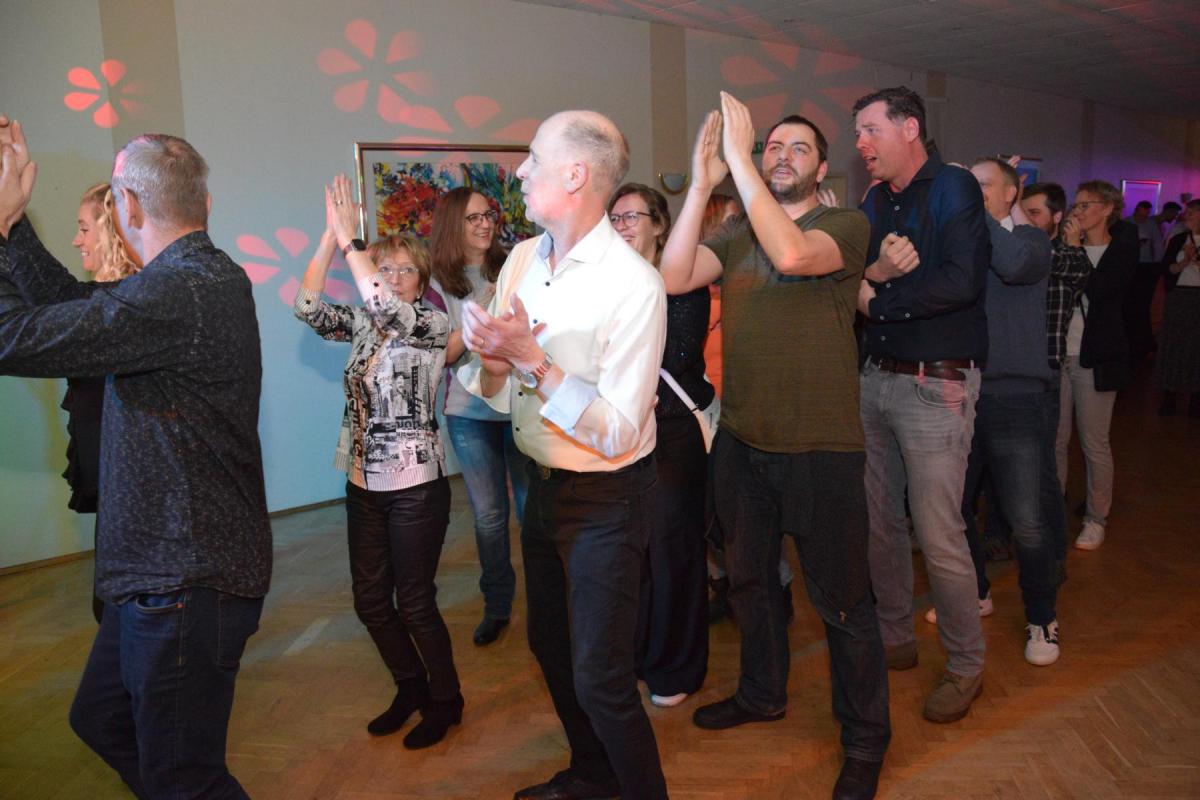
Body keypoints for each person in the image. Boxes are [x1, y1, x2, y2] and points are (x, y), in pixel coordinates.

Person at [0, 118, 270, 798]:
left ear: (127, 207)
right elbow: (72, 307)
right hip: (160, 571)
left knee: (187, 778)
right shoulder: (188, 280)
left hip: (185, 578)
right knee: (104, 721)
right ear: (204, 202)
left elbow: (14, 337)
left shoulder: (183, 290)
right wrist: (14, 226)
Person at [660, 94, 891, 800]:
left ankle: (865, 739)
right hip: (742, 440)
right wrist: (702, 184)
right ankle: (762, 693)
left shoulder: (844, 224)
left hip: (820, 447)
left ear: (822, 168)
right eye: (772, 147)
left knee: (843, 602)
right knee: (751, 582)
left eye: (798, 148)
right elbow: (671, 277)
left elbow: (790, 253)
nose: (781, 156)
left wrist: (738, 161)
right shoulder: (737, 231)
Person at [456, 110, 668, 800]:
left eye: (534, 158)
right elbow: (494, 387)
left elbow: (618, 432)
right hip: (540, 485)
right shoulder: (523, 258)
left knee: (602, 678)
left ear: (575, 175)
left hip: (607, 498)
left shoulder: (634, 285)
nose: (520, 171)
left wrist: (532, 361)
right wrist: (494, 357)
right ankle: (592, 775)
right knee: (549, 646)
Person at [294, 175, 463, 748]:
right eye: (382, 268)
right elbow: (307, 307)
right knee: (370, 601)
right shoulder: (363, 324)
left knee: (414, 602)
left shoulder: (431, 325)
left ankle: (447, 700)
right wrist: (330, 237)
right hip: (362, 483)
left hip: (415, 487)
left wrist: (353, 244)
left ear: (421, 282)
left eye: (402, 270)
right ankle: (410, 686)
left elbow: (387, 308)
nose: (390, 277)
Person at [852, 86, 991, 724]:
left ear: (910, 128)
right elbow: (855, 276)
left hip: (936, 385)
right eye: (858, 133)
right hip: (875, 378)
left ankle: (965, 665)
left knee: (938, 533)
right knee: (880, 524)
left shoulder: (953, 187)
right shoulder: (875, 199)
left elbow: (962, 281)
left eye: (871, 130)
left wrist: (881, 302)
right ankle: (895, 637)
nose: (861, 144)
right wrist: (875, 278)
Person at [951, 157, 1059, 665]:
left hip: (1015, 398)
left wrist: (976, 214)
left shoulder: (1032, 241)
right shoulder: (967, 242)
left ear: (1011, 193)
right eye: (967, 186)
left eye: (982, 185)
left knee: (1028, 520)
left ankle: (1042, 618)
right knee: (952, 509)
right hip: (959, 394)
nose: (972, 193)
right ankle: (976, 591)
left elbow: (1013, 266)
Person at [609, 182, 709, 709]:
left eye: (632, 216)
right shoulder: (602, 281)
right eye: (615, 217)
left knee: (673, 551)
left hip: (671, 432)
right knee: (633, 553)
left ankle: (676, 667)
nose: (622, 225)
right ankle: (637, 654)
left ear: (660, 225)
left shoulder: (683, 280)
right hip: (622, 434)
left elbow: (676, 354)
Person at [428, 186, 530, 646]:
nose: (485, 223)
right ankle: (498, 606)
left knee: (531, 510)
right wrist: (483, 309)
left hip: (521, 405)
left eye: (488, 215)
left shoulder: (514, 266)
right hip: (468, 415)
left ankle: (548, 599)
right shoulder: (436, 282)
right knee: (490, 517)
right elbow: (445, 354)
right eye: (473, 218)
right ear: (454, 224)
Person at [59, 183, 141, 622]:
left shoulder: (128, 304)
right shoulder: (93, 301)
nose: (77, 240)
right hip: (109, 475)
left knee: (119, 604)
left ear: (112, 233)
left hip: (131, 478)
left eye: (84, 229)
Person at [1055, 181, 1139, 551]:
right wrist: (1069, 247)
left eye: (1086, 204)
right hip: (1059, 355)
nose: (1078, 211)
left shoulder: (1121, 248)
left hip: (1095, 358)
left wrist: (1076, 250)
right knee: (1056, 440)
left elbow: (1100, 289)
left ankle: (1095, 518)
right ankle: (1054, 511)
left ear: (1107, 208)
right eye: (1076, 205)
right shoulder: (1063, 246)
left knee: (1094, 443)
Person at [1155, 199, 1200, 416]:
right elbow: (1168, 270)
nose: (1186, 215)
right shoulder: (1178, 239)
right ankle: (1170, 394)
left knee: (1196, 348)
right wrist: (1185, 262)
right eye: (1186, 211)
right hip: (1179, 297)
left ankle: (1195, 397)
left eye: (1191, 212)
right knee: (1174, 344)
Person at [1124, 200, 1164, 364]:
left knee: (1141, 302)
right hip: (1129, 265)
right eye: (1142, 213)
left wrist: (1157, 264)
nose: (1144, 217)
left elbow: (1157, 244)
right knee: (1130, 301)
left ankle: (1140, 336)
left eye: (1146, 214)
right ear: (1136, 210)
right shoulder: (1127, 223)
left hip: (1145, 265)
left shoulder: (1151, 224)